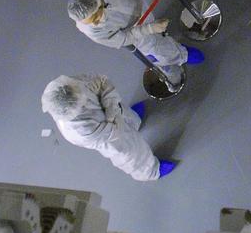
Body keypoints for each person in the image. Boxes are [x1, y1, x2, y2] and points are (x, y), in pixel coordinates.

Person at [66, 0, 203, 86]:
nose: (95, 23)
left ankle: (164, 43)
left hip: (141, 8)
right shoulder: (92, 31)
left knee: (155, 28)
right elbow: (124, 39)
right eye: (90, 22)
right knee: (154, 48)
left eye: (96, 17)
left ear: (100, 2)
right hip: (134, 33)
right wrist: (148, 29)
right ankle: (178, 57)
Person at [41, 74, 176, 181]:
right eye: (81, 101)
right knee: (129, 151)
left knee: (124, 113)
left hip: (111, 113)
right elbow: (115, 131)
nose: (83, 94)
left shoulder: (70, 85)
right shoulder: (81, 130)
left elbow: (101, 81)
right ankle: (151, 171)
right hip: (111, 138)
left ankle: (135, 121)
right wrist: (111, 110)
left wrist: (112, 108)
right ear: (72, 112)